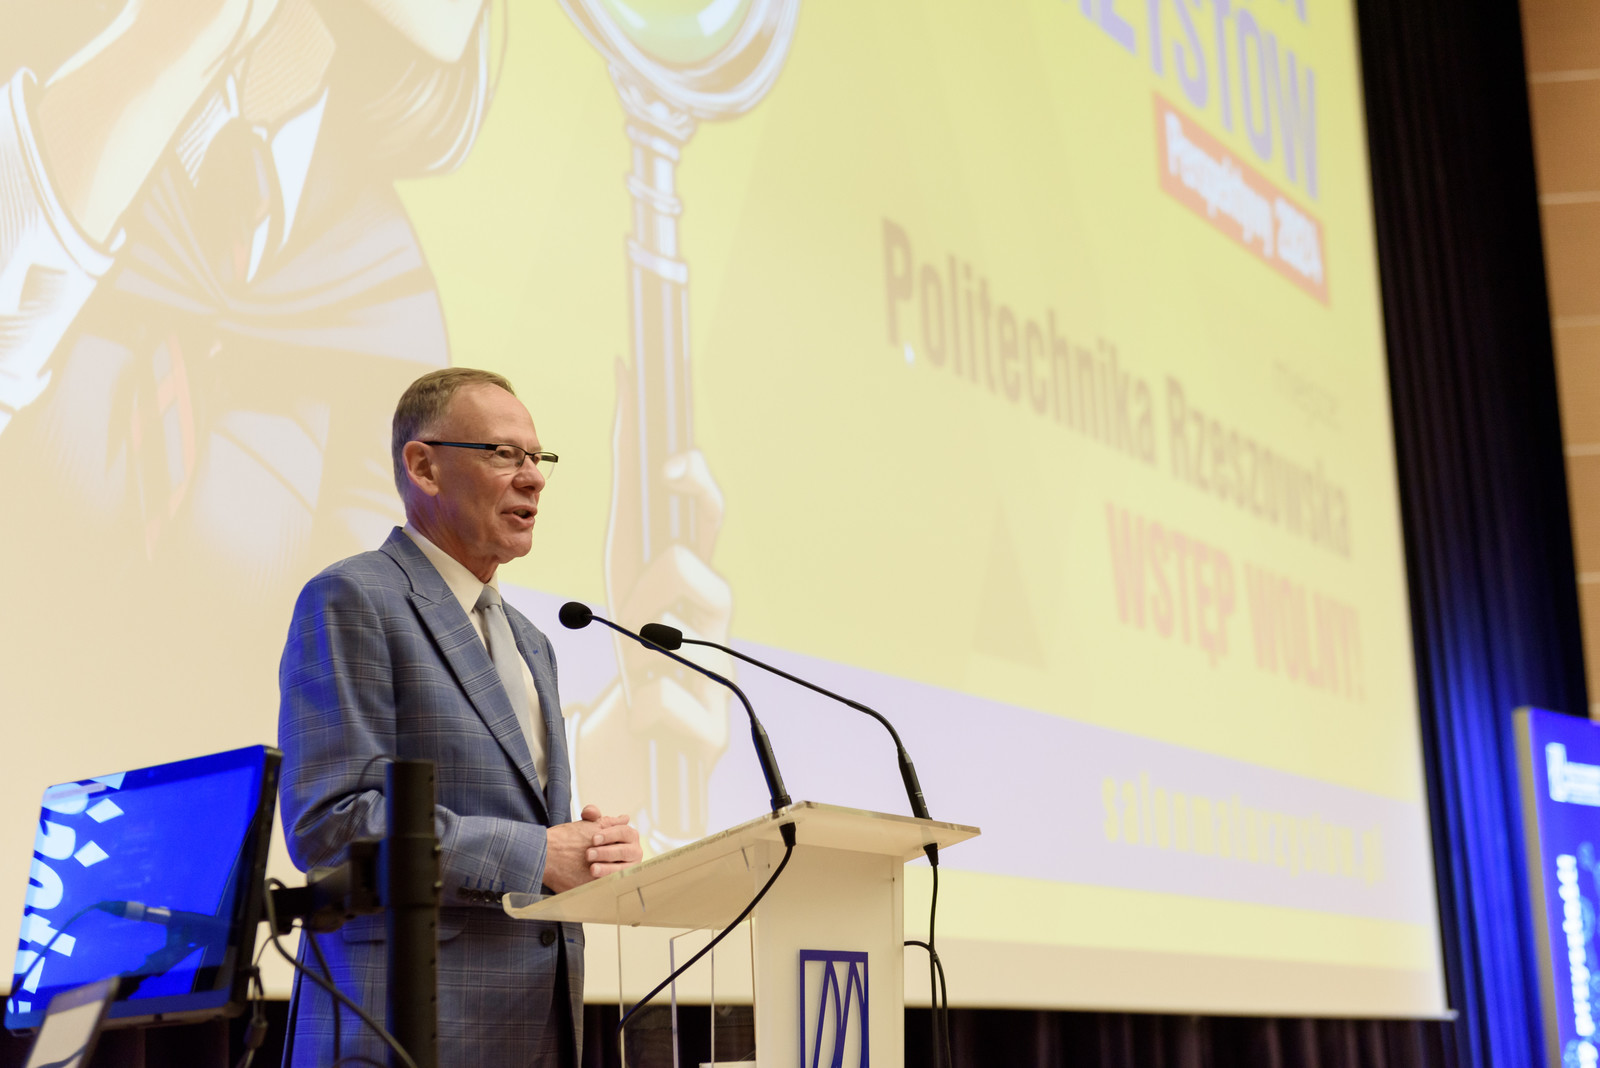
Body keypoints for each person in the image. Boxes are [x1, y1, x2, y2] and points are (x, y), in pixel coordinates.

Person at [277, 366, 643, 1068]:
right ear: (424, 467)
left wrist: (592, 852)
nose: (533, 478)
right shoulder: (353, 598)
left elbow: (528, 823)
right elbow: (331, 824)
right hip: (402, 1026)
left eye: (537, 457)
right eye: (505, 454)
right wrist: (540, 855)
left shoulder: (532, 642)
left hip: (539, 1025)